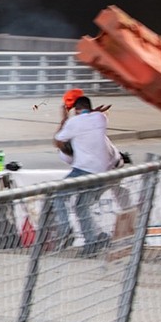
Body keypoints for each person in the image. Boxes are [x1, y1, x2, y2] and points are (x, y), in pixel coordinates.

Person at [52, 95, 113, 256]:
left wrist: (64, 119)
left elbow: (57, 141)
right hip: (101, 173)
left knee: (57, 195)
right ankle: (91, 244)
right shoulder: (101, 118)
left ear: (76, 110)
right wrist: (91, 111)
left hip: (83, 170)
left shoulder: (74, 122)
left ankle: (66, 230)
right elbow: (91, 115)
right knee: (81, 206)